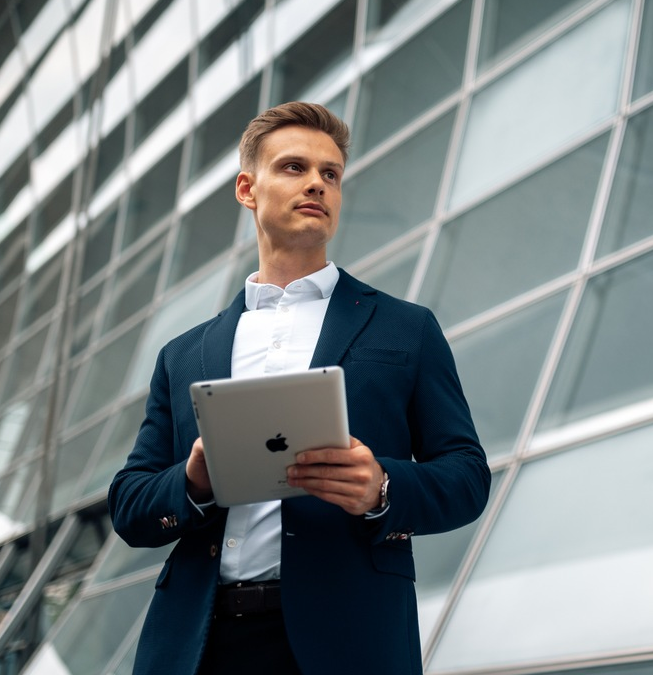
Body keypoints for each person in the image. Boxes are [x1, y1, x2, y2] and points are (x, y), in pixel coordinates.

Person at [108, 102, 490, 675]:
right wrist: (193, 482)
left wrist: (382, 487)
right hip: (198, 645)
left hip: (348, 640)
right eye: (293, 167)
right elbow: (130, 504)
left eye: (330, 174)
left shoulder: (406, 329)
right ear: (247, 188)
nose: (316, 183)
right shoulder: (182, 355)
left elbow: (466, 476)